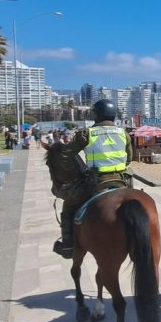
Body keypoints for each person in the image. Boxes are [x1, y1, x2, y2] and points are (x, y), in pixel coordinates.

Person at [51, 99, 133, 258]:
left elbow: (65, 157)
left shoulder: (87, 133)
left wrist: (80, 172)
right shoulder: (123, 133)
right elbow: (129, 157)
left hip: (96, 181)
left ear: (96, 115)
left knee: (68, 206)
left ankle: (68, 245)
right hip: (123, 179)